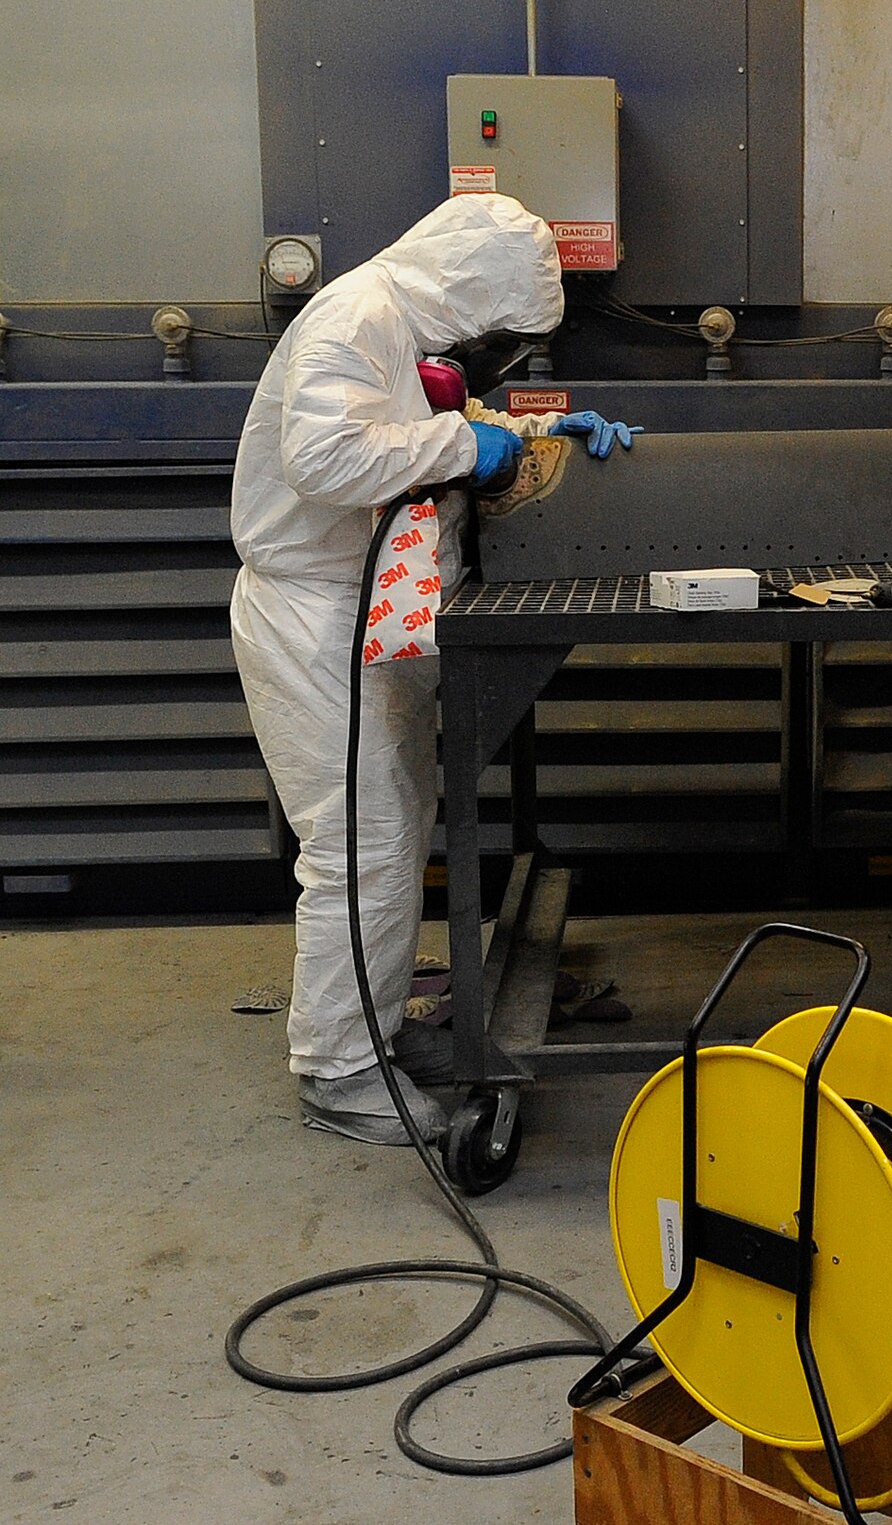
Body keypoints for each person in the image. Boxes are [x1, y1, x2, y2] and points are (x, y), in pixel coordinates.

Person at [229, 193, 639, 1145]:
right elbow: (327, 459)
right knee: (361, 844)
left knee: (394, 835)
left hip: (364, 613)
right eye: (500, 332)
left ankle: (366, 1031)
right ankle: (336, 1071)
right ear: (468, 291)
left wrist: (535, 435)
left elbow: (411, 432)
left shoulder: (404, 331)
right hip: (312, 614)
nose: (496, 353)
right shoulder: (356, 315)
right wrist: (469, 444)